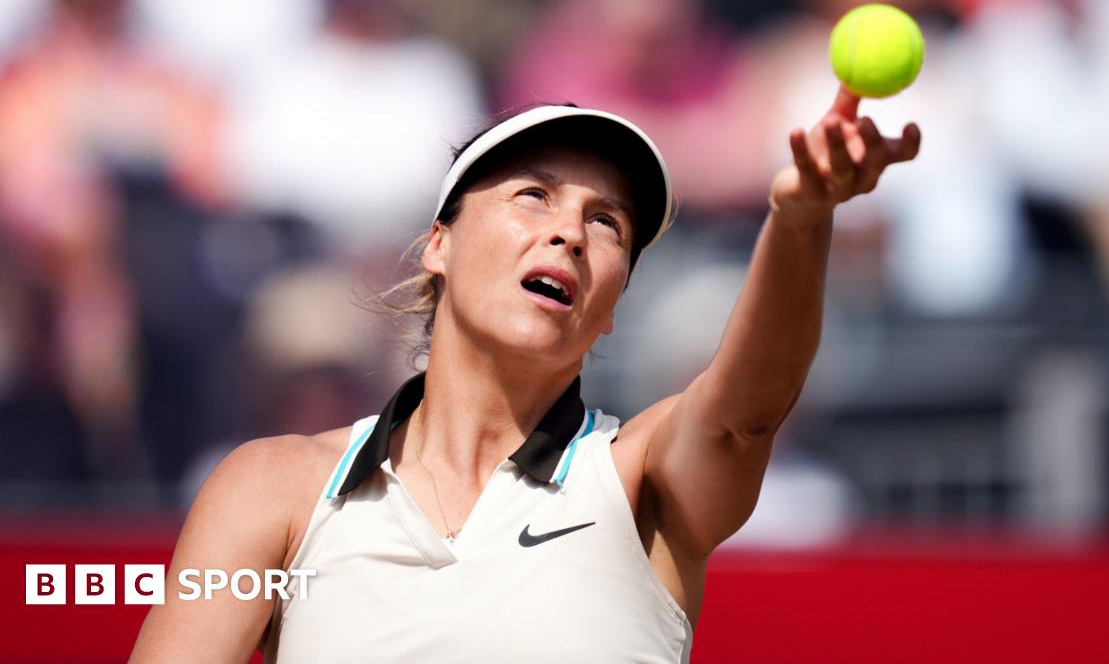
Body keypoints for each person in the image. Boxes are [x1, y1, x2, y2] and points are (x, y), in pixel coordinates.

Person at [130, 95, 919, 662]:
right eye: (534, 194)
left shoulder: (638, 477)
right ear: (438, 242)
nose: (568, 231)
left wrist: (802, 220)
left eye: (606, 221)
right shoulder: (270, 486)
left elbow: (742, 416)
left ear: (611, 308)